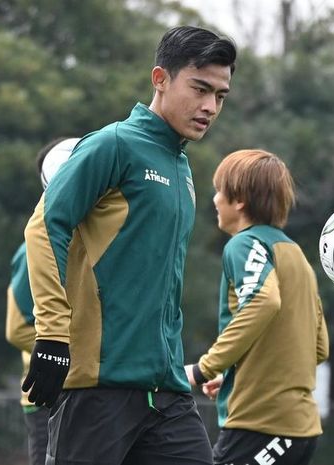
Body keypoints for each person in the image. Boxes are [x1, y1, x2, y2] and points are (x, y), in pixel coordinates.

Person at [22, 26, 237, 465]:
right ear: (160, 78)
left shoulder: (182, 168)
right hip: (99, 387)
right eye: (200, 89)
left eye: (220, 95)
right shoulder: (112, 144)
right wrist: (52, 337)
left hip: (167, 393)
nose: (209, 107)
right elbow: (44, 229)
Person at [185, 149, 329, 465]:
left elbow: (262, 301)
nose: (215, 200)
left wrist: (203, 369)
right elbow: (318, 347)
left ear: (239, 201)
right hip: (301, 430)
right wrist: (241, 374)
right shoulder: (296, 256)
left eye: (219, 190)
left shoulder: (245, 245)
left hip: (261, 426)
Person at [5, 137, 78, 465]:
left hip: (83, 389)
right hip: (46, 394)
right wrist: (61, 349)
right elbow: (16, 328)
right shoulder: (32, 248)